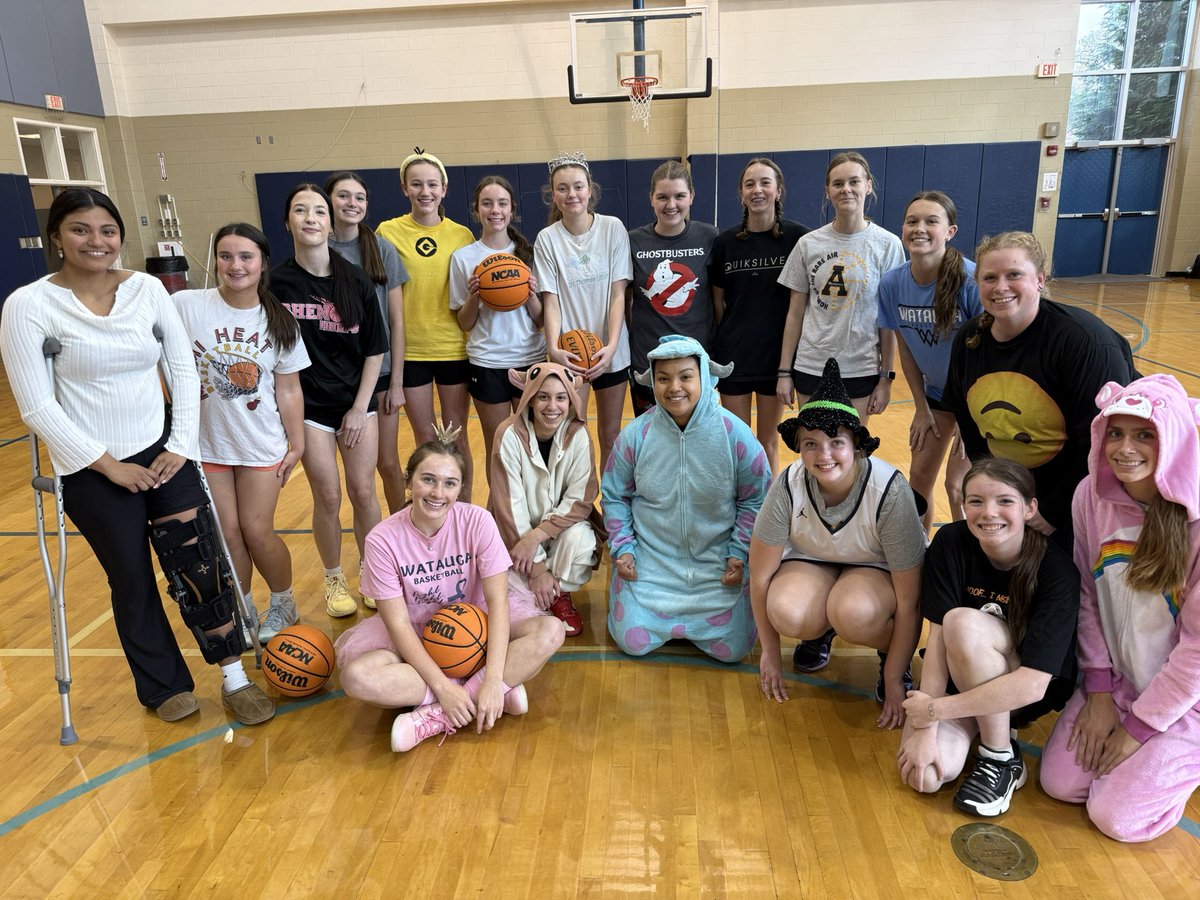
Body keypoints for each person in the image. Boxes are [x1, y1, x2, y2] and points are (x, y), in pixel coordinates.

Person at [0, 188, 273, 725]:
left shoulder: (147, 290)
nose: (96, 241)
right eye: (80, 229)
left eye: (107, 230)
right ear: (56, 236)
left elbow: (184, 370)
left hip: (164, 453)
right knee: (131, 577)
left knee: (200, 565)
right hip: (91, 469)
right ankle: (163, 685)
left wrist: (178, 445)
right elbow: (35, 405)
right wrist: (108, 465)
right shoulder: (28, 305)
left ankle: (233, 675)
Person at [335, 428, 566, 752]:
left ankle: (438, 715)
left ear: (460, 489)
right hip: (416, 634)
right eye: (428, 479)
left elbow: (498, 602)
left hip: (478, 625)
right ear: (409, 481)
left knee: (551, 631)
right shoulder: (382, 539)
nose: (437, 492)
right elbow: (398, 625)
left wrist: (490, 681)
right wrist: (443, 687)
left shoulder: (478, 521)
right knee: (356, 678)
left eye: (449, 483)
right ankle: (483, 694)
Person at [1041, 375, 1200, 842]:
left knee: (1117, 819)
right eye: (1115, 432)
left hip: (1185, 701)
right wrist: (1100, 693)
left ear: (1172, 439)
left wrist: (1138, 729)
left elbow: (1196, 654)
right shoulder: (1089, 496)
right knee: (1060, 784)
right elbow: (1088, 597)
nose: (1124, 448)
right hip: (1121, 681)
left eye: (1144, 434)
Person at [749, 358, 925, 728]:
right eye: (810, 443)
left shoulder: (889, 490)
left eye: (836, 442)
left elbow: (911, 600)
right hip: (813, 562)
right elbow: (760, 578)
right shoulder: (787, 485)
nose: (823, 455)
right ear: (798, 447)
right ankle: (820, 629)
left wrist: (896, 676)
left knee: (854, 613)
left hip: (875, 568)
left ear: (857, 445)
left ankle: (888, 654)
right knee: (786, 609)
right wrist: (769, 653)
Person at [897, 458, 1079, 817]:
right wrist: (924, 729)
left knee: (962, 622)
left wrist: (932, 710)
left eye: (1005, 501)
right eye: (976, 501)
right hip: (959, 681)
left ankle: (1000, 756)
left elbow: (1033, 686)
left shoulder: (1056, 569)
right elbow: (935, 641)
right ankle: (985, 729)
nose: (988, 512)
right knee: (928, 775)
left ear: (1030, 508)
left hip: (1021, 692)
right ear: (963, 505)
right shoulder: (950, 541)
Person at [943, 231, 1138, 550]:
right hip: (1016, 495)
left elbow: (1100, 441)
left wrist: (1052, 511)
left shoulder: (1082, 342)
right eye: (989, 277)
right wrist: (998, 495)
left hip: (1079, 496)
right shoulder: (969, 340)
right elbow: (971, 428)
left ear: (1040, 280)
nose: (1000, 286)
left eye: (1014, 275)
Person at [173, 223, 310, 641]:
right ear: (215, 260)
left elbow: (288, 389)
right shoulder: (185, 305)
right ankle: (243, 606)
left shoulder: (279, 320)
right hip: (206, 444)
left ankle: (283, 602)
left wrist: (297, 442)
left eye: (245, 256)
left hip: (259, 442)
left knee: (256, 530)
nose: (236, 265)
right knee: (226, 533)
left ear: (262, 262)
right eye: (226, 256)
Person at [603, 335, 770, 661]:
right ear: (652, 381)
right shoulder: (635, 436)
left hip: (718, 567)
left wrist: (738, 553)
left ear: (704, 376)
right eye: (663, 378)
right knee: (632, 643)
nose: (673, 387)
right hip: (651, 566)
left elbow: (757, 498)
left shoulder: (735, 434)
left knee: (735, 650)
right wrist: (624, 548)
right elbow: (614, 495)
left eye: (685, 376)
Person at [272, 183, 387, 617]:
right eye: (300, 210)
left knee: (362, 491)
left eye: (318, 210)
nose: (310, 218)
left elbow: (375, 349)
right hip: (309, 408)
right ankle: (334, 577)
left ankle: (374, 573)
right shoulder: (276, 282)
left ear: (329, 220)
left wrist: (361, 408)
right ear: (289, 222)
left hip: (356, 403)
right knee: (328, 496)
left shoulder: (354, 278)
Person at [877, 191, 983, 530]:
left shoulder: (971, 279)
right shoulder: (893, 282)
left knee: (959, 486)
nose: (919, 228)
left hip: (976, 400)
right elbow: (905, 346)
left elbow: (987, 352)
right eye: (912, 221)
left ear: (950, 231)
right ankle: (920, 555)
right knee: (919, 477)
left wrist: (974, 419)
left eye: (930, 221)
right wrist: (921, 407)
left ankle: (970, 562)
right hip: (936, 397)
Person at [777, 151, 904, 423]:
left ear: (868, 185)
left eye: (854, 182)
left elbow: (888, 320)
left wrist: (886, 377)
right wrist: (784, 372)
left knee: (853, 451)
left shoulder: (888, 245)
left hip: (861, 367)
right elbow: (795, 314)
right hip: (812, 365)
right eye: (838, 184)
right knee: (814, 448)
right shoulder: (808, 244)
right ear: (827, 191)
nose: (846, 189)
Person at [377, 150, 476, 499]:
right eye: (416, 184)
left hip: (453, 348)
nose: (425, 191)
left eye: (432, 184)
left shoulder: (462, 235)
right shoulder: (388, 232)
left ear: (444, 188)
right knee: (427, 439)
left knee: (457, 438)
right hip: (411, 352)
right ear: (405, 188)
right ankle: (433, 513)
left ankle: (462, 514)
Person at [534, 151, 633, 475]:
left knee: (610, 434)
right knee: (572, 435)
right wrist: (553, 347)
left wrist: (613, 345)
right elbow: (552, 301)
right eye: (562, 189)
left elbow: (618, 294)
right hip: (571, 355)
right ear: (553, 194)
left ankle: (610, 510)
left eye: (577, 187)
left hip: (610, 351)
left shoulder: (612, 228)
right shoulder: (547, 239)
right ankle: (578, 510)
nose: (571, 194)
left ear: (590, 189)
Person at [709, 158, 808, 475]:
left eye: (765, 182)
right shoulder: (725, 242)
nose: (757, 190)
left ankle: (768, 517)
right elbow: (718, 303)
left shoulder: (798, 239)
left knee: (767, 443)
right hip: (734, 358)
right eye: (750, 184)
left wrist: (787, 365)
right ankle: (740, 513)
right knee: (737, 444)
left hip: (775, 360)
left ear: (779, 191)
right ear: (741, 193)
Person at [488, 363, 602, 637]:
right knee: (499, 587)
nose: (553, 406)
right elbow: (508, 508)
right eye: (543, 396)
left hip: (550, 533)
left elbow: (580, 500)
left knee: (582, 541)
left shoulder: (579, 435)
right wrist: (537, 567)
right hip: (513, 538)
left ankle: (555, 595)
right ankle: (539, 592)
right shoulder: (508, 435)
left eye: (561, 397)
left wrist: (537, 536)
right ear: (529, 398)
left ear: (571, 400)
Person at [325, 171, 410, 515]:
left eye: (359, 197)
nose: (352, 203)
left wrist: (398, 382)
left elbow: (397, 321)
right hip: (332, 376)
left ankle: (404, 530)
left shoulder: (381, 248)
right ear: (327, 201)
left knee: (387, 463)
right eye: (343, 196)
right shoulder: (316, 247)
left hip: (381, 373)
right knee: (342, 477)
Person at [449, 175, 546, 475]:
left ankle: (534, 516)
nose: (495, 210)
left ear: (512, 209)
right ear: (476, 210)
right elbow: (465, 323)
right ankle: (501, 521)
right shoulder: (464, 258)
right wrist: (474, 297)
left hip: (529, 360)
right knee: (498, 448)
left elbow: (542, 319)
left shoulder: (529, 254)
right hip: (486, 362)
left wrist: (530, 294)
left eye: (502, 203)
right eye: (487, 204)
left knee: (533, 444)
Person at [626, 160, 718, 417]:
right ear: (651, 199)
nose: (671, 205)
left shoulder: (709, 237)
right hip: (649, 363)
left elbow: (718, 299)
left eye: (679, 196)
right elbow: (624, 303)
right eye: (662, 197)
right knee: (653, 443)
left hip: (697, 362)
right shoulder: (632, 241)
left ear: (692, 196)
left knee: (700, 442)